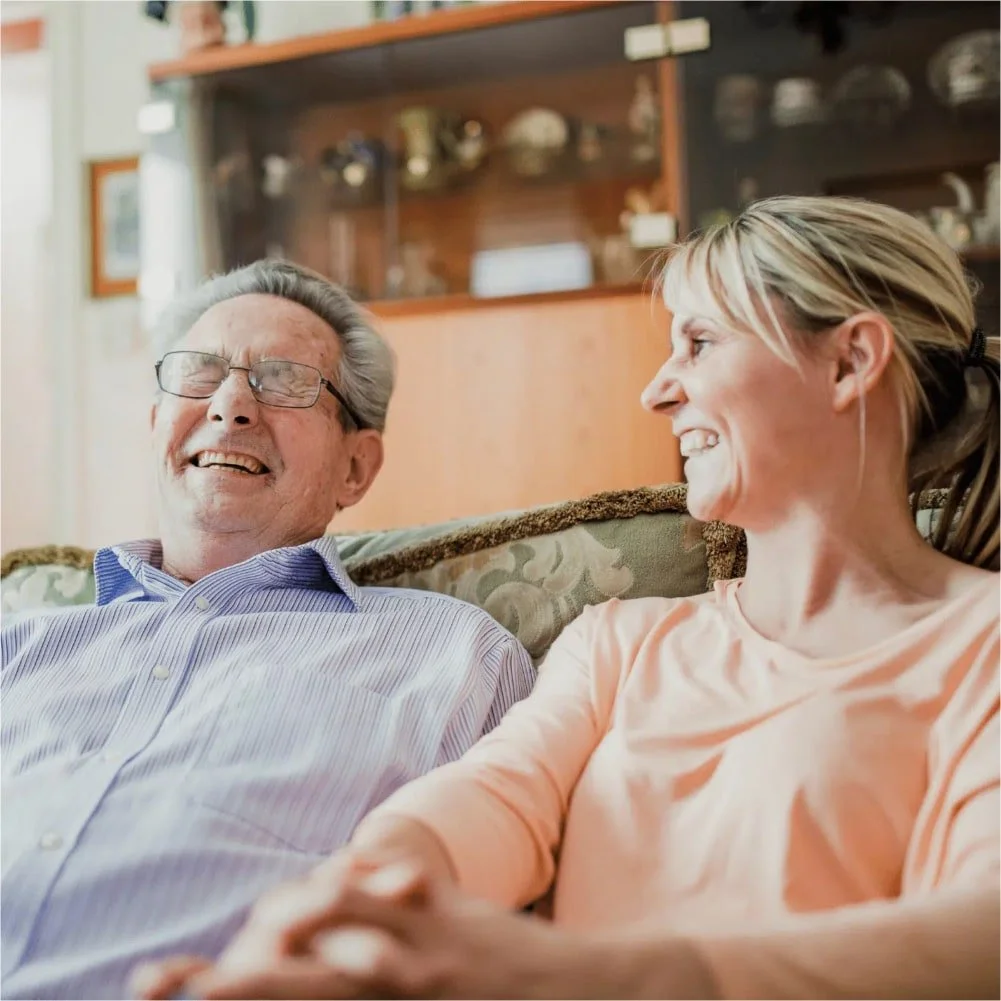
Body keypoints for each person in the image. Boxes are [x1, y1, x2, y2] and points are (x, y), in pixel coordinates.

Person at [139, 197, 1000, 1001]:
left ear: (849, 360)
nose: (656, 389)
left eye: (698, 343)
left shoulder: (980, 641)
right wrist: (350, 915)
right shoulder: (622, 640)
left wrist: (565, 972)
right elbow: (493, 797)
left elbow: (979, 936)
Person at [0, 260, 535, 1000]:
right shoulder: (18, 642)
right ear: (157, 422)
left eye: (283, 380)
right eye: (199, 373)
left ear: (357, 465)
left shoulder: (453, 658)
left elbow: (469, 932)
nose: (230, 405)